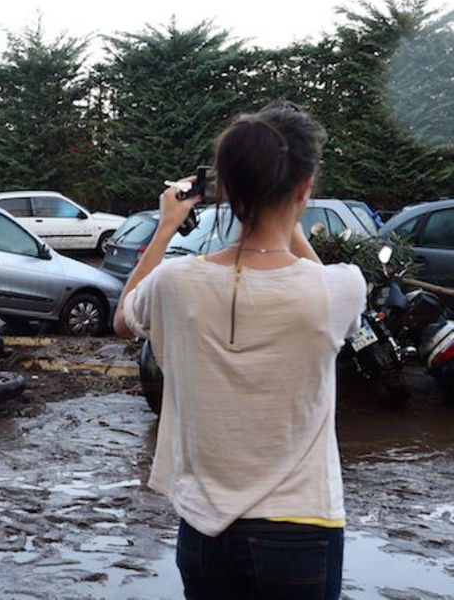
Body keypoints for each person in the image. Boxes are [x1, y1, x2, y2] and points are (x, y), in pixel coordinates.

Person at [114, 100, 366, 600]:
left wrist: (166, 227)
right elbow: (327, 298)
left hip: (204, 533)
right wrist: (289, 226)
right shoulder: (338, 288)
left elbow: (123, 317)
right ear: (304, 189)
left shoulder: (175, 282)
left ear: (225, 189)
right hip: (302, 529)